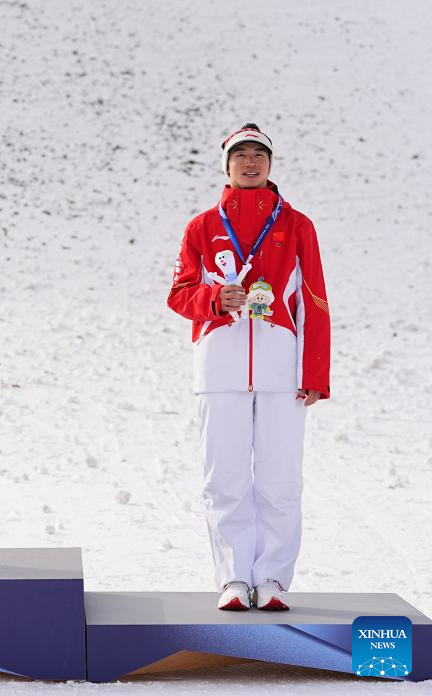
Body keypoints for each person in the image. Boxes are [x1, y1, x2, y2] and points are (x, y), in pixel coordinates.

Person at [168, 123, 330, 611]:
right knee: (225, 479)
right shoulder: (202, 226)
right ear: (228, 166)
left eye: (259, 154)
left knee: (281, 479)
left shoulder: (296, 225)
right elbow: (179, 294)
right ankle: (234, 579)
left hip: (283, 370)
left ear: (270, 164)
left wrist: (314, 374)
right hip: (220, 367)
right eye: (241, 155)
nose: (251, 162)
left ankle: (273, 579)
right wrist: (215, 299)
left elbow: (314, 301)